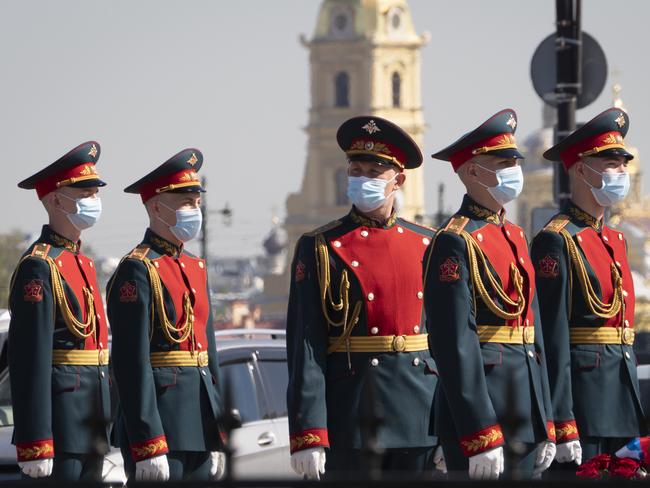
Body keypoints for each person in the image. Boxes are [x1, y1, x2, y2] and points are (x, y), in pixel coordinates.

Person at [286, 116, 442, 479]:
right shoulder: (321, 247)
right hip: (351, 414)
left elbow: (448, 345)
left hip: (418, 413)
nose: (363, 180)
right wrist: (308, 433)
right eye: (356, 170)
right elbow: (306, 347)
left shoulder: (429, 244)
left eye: (375, 172)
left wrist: (451, 428)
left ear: (398, 180)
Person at [423, 109, 556, 480]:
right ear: (470, 171)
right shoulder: (454, 240)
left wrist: (545, 418)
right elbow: (455, 344)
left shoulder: (515, 235)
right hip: (483, 411)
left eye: (514, 162)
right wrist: (479, 430)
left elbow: (535, 335)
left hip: (525, 407)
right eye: (501, 163)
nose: (512, 171)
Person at [531, 108, 646, 465]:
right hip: (584, 406)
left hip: (622, 399)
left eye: (624, 164)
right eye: (611, 164)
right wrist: (562, 423)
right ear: (581, 169)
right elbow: (553, 336)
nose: (622, 173)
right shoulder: (556, 240)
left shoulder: (614, 238)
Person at [106, 148, 225, 481]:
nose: (195, 211)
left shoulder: (195, 266)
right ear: (156, 206)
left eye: (197, 203)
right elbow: (132, 363)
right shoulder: (138, 269)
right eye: (186, 203)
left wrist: (217, 433)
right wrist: (147, 443)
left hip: (200, 425)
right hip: (161, 426)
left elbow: (208, 357)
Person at [9, 141, 110, 480]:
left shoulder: (82, 262)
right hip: (60, 430)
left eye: (95, 193)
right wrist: (35, 440)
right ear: (54, 200)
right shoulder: (39, 267)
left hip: (92, 423)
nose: (93, 202)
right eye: (84, 194)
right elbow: (29, 358)